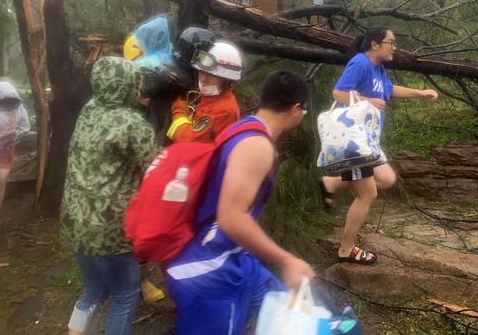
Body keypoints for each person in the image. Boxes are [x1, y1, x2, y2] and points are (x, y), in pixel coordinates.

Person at [165, 70, 315, 335]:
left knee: (285, 305)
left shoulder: (245, 127)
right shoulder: (257, 145)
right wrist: (286, 260)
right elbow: (231, 217)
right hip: (208, 267)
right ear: (295, 109)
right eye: (303, 112)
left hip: (234, 257)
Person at [320, 26, 438, 265]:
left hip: (368, 141)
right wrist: (368, 101)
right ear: (375, 44)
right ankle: (346, 249)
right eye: (390, 42)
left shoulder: (378, 68)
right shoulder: (360, 63)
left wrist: (420, 93)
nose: (394, 47)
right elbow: (338, 93)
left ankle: (330, 182)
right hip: (355, 142)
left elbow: (390, 90)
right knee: (367, 194)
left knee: (386, 178)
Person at [60, 57, 157, 335]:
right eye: (136, 83)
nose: (140, 88)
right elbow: (153, 168)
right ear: (124, 85)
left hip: (77, 222)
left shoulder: (89, 109)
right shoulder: (132, 124)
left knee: (93, 290)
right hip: (109, 228)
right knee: (126, 294)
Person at [167, 41, 242, 143]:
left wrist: (179, 111)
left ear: (226, 79)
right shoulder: (211, 96)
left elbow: (189, 141)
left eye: (211, 75)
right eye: (202, 72)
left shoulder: (224, 110)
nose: (203, 79)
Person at [0, 81, 30, 213]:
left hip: (6, 151)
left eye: (11, 99)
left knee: (0, 182)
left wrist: (14, 134)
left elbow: (25, 128)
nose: (8, 102)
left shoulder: (19, 108)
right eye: (4, 100)